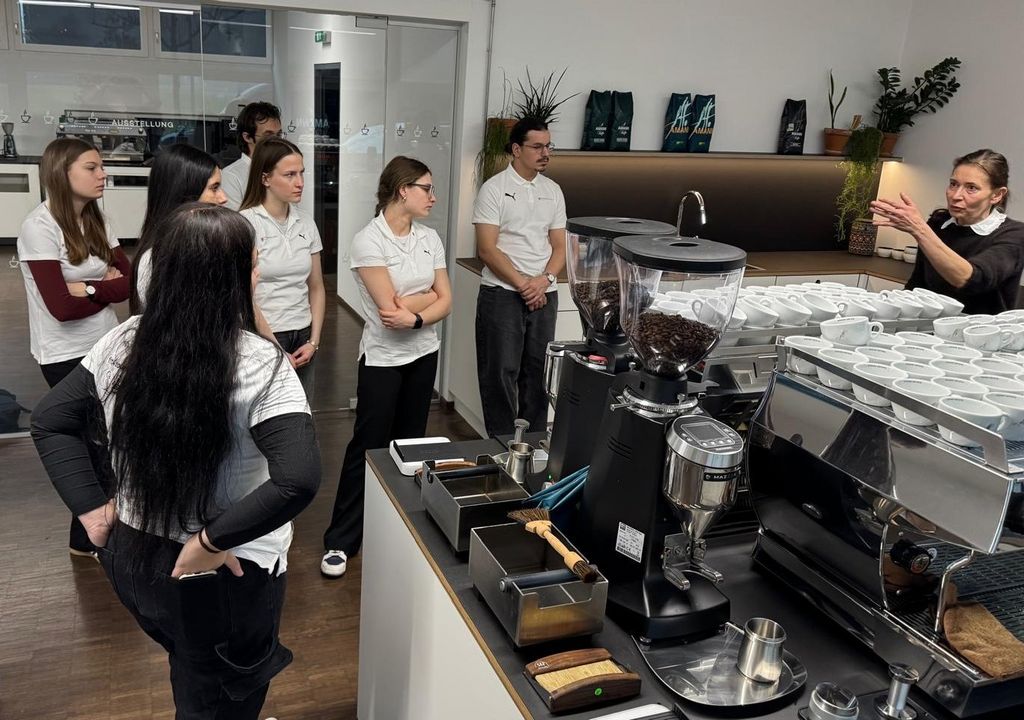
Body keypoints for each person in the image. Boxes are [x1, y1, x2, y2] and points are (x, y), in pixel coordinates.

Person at [30, 203, 321, 719]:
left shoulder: (122, 339)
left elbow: (50, 420)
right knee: (217, 696)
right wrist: (209, 542)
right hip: (221, 573)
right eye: (254, 265)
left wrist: (92, 511)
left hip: (133, 560)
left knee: (191, 666)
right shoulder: (262, 364)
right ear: (233, 278)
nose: (258, 274)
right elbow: (297, 479)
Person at [321, 156, 451, 578]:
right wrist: (425, 299)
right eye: (426, 188)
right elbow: (386, 311)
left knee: (411, 448)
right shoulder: (368, 240)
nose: (433, 197)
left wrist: (413, 314)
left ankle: (400, 533)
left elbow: (447, 300)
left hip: (424, 352)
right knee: (369, 446)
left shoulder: (430, 238)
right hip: (383, 359)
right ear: (402, 190)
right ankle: (341, 540)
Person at [17, 137, 131, 557]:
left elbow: (130, 282)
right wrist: (103, 287)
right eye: (92, 167)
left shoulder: (97, 219)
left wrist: (88, 287)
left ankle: (87, 541)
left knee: (106, 444)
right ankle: (93, 539)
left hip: (106, 344)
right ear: (62, 174)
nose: (103, 174)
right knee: (93, 446)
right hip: (64, 354)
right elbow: (61, 308)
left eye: (101, 166)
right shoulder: (39, 227)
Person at [473, 117, 566, 437]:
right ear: (516, 149)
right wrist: (525, 284)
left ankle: (533, 445)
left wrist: (544, 280)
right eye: (537, 147)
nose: (545, 153)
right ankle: (502, 445)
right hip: (501, 293)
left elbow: (560, 246)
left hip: (544, 293)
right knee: (500, 373)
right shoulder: (494, 189)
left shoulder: (553, 191)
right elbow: (487, 249)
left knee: (539, 373)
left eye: (548, 146)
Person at [872, 149, 1024, 314]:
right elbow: (917, 285)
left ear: (997, 195)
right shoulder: (939, 223)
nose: (956, 195)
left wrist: (920, 230)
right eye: (953, 184)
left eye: (971, 188)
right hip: (929, 326)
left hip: (978, 329)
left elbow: (972, 279)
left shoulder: (1014, 234)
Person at [240, 137, 325, 397]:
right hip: (263, 334)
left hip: (303, 333)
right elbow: (243, 296)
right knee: (264, 412)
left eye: (301, 173)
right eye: (289, 175)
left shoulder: (306, 222)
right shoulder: (246, 224)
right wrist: (275, 347)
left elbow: (317, 287)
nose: (300, 182)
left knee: (303, 409)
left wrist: (314, 341)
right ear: (265, 179)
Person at [131, 143, 228, 314]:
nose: (223, 198)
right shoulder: (157, 260)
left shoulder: (205, 243)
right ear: (184, 192)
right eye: (214, 188)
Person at [222, 101, 282, 211]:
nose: (276, 141)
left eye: (278, 135)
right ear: (247, 137)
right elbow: (234, 220)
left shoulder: (283, 170)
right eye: (268, 135)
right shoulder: (231, 176)